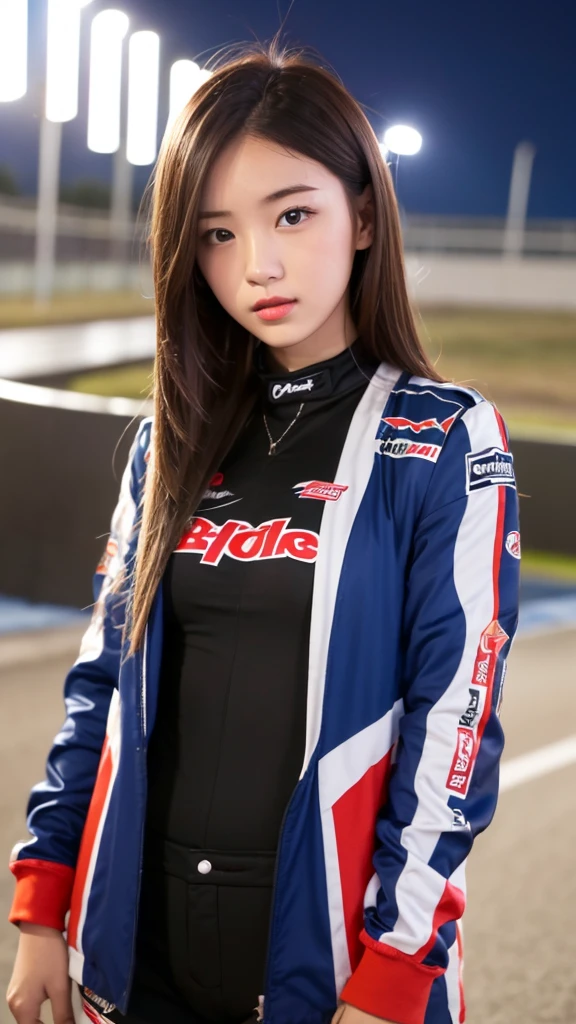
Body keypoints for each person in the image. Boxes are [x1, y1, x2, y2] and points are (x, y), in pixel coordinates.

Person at [6, 35, 520, 1024]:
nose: (259, 265)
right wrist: (42, 903)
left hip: (332, 981)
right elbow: (101, 688)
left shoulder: (445, 437)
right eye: (217, 234)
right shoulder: (170, 441)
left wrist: (394, 978)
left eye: (292, 213)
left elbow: (454, 729)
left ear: (363, 213)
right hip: (134, 962)